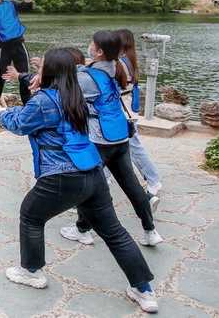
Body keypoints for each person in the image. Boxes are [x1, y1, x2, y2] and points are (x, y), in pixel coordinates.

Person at [0, 48, 158, 313]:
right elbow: (36, 113)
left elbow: (20, 123)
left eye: (42, 66)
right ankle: (144, 290)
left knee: (31, 216)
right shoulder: (77, 94)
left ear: (51, 71)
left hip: (62, 175)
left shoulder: (45, 100)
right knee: (114, 232)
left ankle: (32, 271)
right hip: (93, 172)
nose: (38, 69)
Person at [61, 31, 163, 248]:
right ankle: (150, 230)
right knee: (132, 185)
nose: (88, 46)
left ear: (98, 51)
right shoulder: (115, 68)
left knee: (90, 186)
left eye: (92, 44)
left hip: (100, 139)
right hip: (119, 137)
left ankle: (82, 230)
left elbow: (66, 91)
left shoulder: (88, 78)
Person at [115, 28, 162, 196]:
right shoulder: (129, 60)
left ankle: (153, 180)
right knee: (118, 150)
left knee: (135, 148)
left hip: (123, 113)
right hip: (126, 112)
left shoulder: (120, 63)